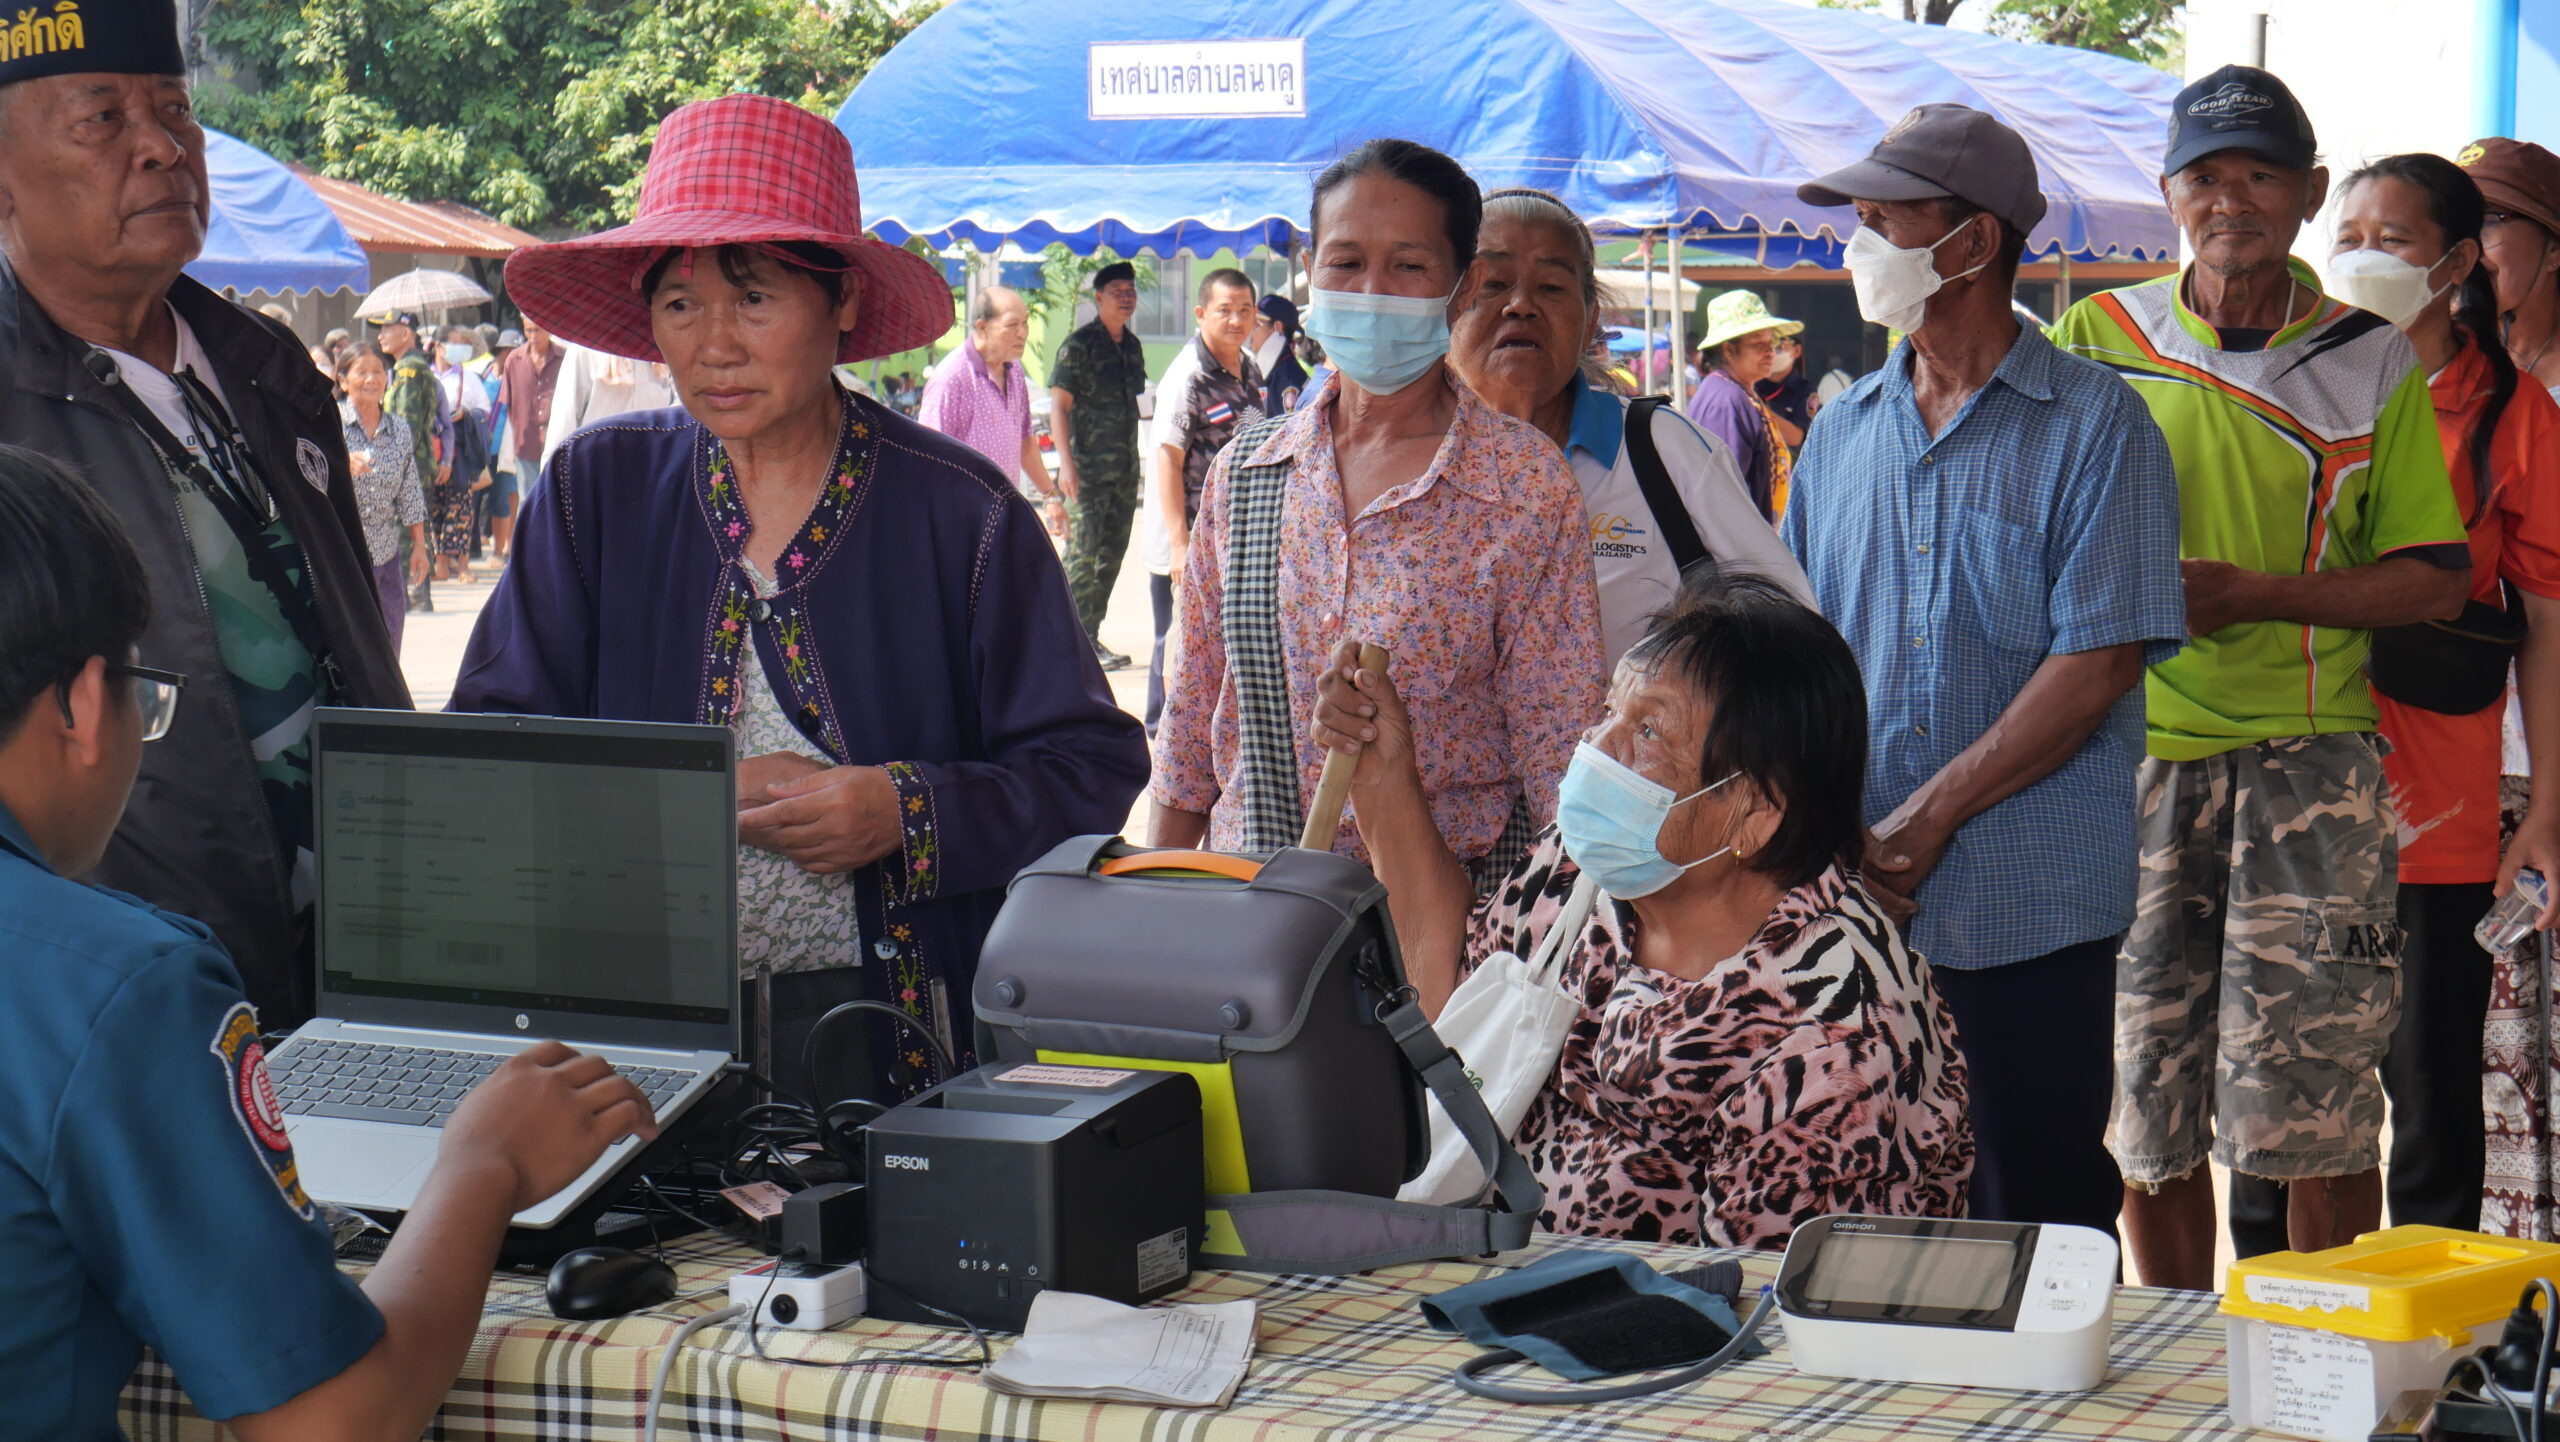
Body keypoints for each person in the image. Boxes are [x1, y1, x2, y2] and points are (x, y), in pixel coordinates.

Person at [455, 95, 1148, 1109]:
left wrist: (907, 810)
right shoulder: (594, 491)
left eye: (754, 298)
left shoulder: (961, 511)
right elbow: (488, 755)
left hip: (898, 1035)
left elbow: (1089, 767)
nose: (714, 346)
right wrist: (699, 797)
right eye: (680, 304)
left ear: (843, 303)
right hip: (636, 1047)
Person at [0, 442, 658, 1439]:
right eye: (146, 691)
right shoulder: (120, 986)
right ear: (85, 702)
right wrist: (482, 1165)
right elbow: (333, 1422)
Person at [2051, 65, 2470, 1287]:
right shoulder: (2096, 338)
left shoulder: (2366, 355)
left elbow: (2434, 579)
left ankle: (2324, 1364)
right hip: (2129, 756)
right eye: (2204, 173)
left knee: (2321, 1110)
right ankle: (2183, 1356)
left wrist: (2254, 594)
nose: (2228, 197)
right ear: (2167, 189)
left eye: (2259, 173)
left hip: (2314, 766)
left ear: (2308, 191)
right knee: (2148, 1105)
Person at [1786, 104, 2187, 1237]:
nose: (1858, 246)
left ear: (1971, 242)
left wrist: (1926, 818)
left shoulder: (2098, 427)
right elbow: (1805, 646)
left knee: (2034, 1203)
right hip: (1861, 900)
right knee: (1874, 1195)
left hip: (2029, 900)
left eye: (1884, 221)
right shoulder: (1842, 433)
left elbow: (2098, 660)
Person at [1311, 572, 1972, 1246]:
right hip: (1484, 1275)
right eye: (1610, 711)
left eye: (1649, 732)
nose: (1597, 750)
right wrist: (1383, 776)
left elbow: (1765, 1296)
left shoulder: (1837, 1037)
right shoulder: (1581, 872)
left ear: (1755, 814)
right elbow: (1448, 1001)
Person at [0, 12, 410, 1030]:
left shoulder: (268, 368)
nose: (162, 146)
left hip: (374, 948)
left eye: (175, 109)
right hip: (130, 994)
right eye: (102, 118)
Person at [1149, 138, 1606, 886]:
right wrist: (1155, 890)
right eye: (1346, 261)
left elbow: (1559, 749)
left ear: (1462, 287)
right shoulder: (1249, 472)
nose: (1371, 291)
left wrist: (1557, 935)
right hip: (1251, 913)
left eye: (1409, 266)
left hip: (1447, 925)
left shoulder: (1523, 486)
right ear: (1311, 272)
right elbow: (1192, 716)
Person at [2307, 155, 2556, 1238]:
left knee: (2431, 1100)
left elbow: (2547, 623)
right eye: (2348, 236)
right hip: (2289, 789)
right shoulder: (2290, 381)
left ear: (2453, 265)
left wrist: (2544, 812)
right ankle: (2285, 1319)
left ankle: (2433, 1327)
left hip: (2438, 810)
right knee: (2286, 1105)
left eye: (2392, 240)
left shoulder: (2512, 415)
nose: (2363, 258)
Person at [1448, 186, 1809, 663]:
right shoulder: (1399, 458)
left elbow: (1794, 630)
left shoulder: (1664, 450)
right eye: (1492, 283)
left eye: (1552, 287)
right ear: (1446, 309)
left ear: (1590, 320)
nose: (1521, 305)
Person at [1147, 267, 1268, 727]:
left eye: (1245, 310)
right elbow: (1167, 459)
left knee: (1219, 640)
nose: (1236, 320)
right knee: (1179, 639)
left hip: (1238, 534)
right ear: (1200, 313)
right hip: (1192, 533)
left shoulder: (1250, 366)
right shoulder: (1189, 376)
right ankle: (1162, 731)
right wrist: (1179, 544)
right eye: (1224, 311)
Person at [1052, 261, 1148, 668]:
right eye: (1117, 291)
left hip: (1124, 472)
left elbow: (1139, 404)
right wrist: (1066, 465)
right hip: (1086, 473)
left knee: (1111, 555)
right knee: (1081, 557)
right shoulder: (1079, 345)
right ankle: (1064, 640)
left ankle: (1088, 637)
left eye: (1130, 291)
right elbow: (1059, 407)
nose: (1126, 298)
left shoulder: (1132, 346)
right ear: (1098, 298)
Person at [918, 286, 1059, 530]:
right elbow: (928, 464)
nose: (1022, 333)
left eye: (1025, 323)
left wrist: (1050, 497)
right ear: (982, 327)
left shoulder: (1015, 372)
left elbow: (1025, 443)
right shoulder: (951, 379)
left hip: (1002, 520)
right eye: (1012, 325)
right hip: (961, 524)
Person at [337, 350, 429, 653]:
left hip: (385, 554)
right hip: (342, 554)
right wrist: (341, 463)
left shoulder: (398, 429)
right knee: (350, 647)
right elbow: (306, 472)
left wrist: (419, 547)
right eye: (362, 372)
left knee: (388, 644)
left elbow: (410, 491)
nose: (371, 379)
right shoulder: (329, 424)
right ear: (343, 381)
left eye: (378, 371)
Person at [1684, 290, 1798, 520]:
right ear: (1728, 350)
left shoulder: (1738, 393)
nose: (1769, 352)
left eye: (1771, 342)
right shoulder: (1725, 403)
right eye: (1758, 343)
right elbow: (1723, 498)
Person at [2463, 139, 2560, 400]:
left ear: (2554, 249)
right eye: (2455, 226)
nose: (2465, 249)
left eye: (2487, 222)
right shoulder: (2425, 355)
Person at [539, 338, 677, 472]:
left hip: (650, 474)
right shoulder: (585, 351)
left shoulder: (660, 354)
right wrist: (551, 481)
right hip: (596, 474)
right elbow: (562, 425)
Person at [494, 321, 562, 563]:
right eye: (528, 330)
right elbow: (508, 404)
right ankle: (531, 557)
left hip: (557, 442)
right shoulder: (513, 360)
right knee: (528, 500)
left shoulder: (564, 358)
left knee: (558, 501)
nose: (533, 336)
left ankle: (555, 555)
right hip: (526, 442)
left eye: (537, 330)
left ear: (548, 330)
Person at [430, 324, 494, 580]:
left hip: (461, 448)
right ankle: (440, 564)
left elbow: (484, 410)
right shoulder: (426, 376)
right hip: (433, 448)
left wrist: (465, 414)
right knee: (435, 505)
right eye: (455, 342)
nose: (460, 348)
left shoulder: (470, 378)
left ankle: (463, 565)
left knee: (461, 507)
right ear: (438, 346)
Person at [1252, 293, 1312, 414]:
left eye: (1257, 323)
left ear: (1278, 327)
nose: (1249, 329)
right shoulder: (1274, 371)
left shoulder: (1288, 378)